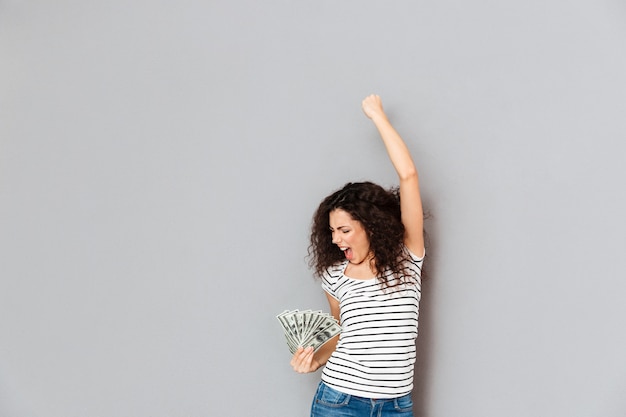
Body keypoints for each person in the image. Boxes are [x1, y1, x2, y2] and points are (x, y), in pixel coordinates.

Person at [290, 94, 426, 417]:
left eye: (344, 230)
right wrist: (315, 357)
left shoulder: (408, 257)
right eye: (332, 232)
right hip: (339, 401)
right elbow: (339, 331)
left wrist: (377, 116)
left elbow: (408, 175)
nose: (336, 240)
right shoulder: (334, 276)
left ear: (369, 225)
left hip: (397, 405)